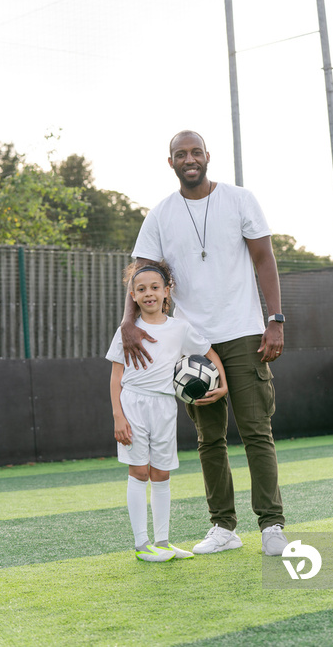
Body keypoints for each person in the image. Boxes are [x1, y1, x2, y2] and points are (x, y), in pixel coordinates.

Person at [121, 130, 287, 557]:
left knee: (255, 430)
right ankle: (223, 526)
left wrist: (275, 320)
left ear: (207, 156)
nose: (189, 159)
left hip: (245, 332)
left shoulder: (239, 199)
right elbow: (141, 271)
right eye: (181, 154)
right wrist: (128, 320)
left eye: (195, 152)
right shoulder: (159, 215)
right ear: (171, 162)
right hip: (192, 344)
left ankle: (271, 524)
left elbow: (264, 257)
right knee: (209, 439)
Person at [107, 261, 228, 562]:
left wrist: (222, 384)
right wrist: (118, 416)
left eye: (154, 288)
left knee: (161, 474)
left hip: (165, 405)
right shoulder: (127, 331)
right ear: (132, 296)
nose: (149, 293)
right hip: (134, 403)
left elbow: (209, 352)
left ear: (166, 291)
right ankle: (141, 545)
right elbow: (115, 377)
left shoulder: (180, 328)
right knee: (139, 471)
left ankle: (162, 541)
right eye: (141, 289)